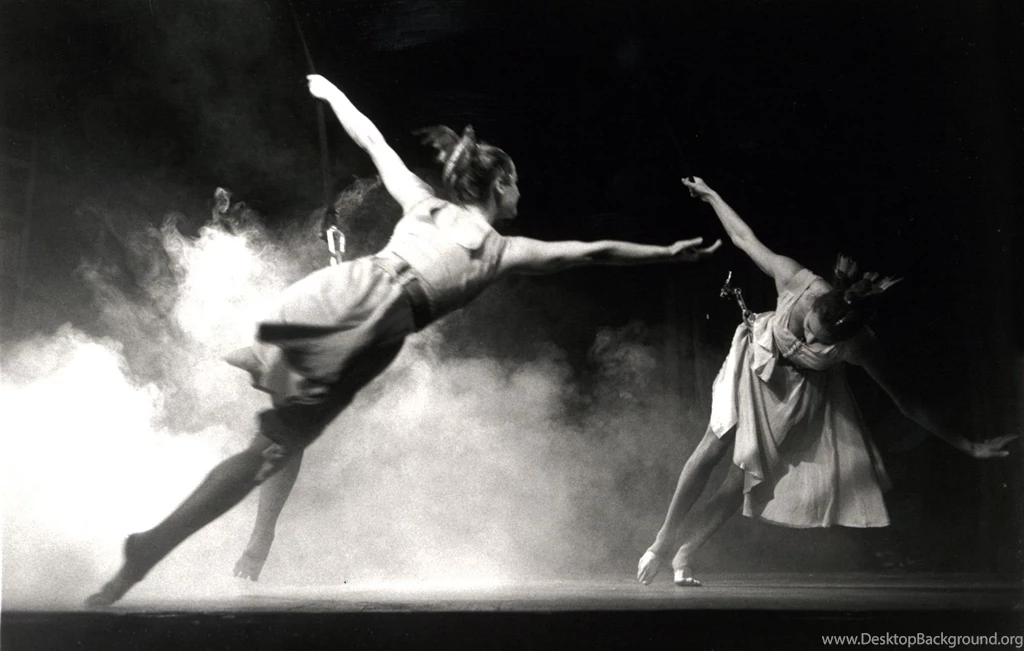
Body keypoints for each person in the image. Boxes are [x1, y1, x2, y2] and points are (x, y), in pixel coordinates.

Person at [85, 74, 721, 606]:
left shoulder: (421, 203)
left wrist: (332, 94)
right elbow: (593, 252)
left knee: (273, 441)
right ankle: (154, 544)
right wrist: (665, 251)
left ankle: (162, 531)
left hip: (334, 292)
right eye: (517, 182)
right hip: (371, 323)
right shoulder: (500, 250)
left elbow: (372, 139)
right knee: (270, 452)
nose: (521, 192)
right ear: (498, 187)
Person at [636, 176, 1018, 588]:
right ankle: (661, 542)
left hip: (792, 397)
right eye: (812, 330)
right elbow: (745, 239)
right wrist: (711, 195)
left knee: (743, 476)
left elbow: (907, 402)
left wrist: (969, 445)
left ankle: (686, 552)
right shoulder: (796, 281)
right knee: (712, 447)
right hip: (753, 366)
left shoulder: (860, 344)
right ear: (816, 303)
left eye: (826, 342)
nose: (813, 341)